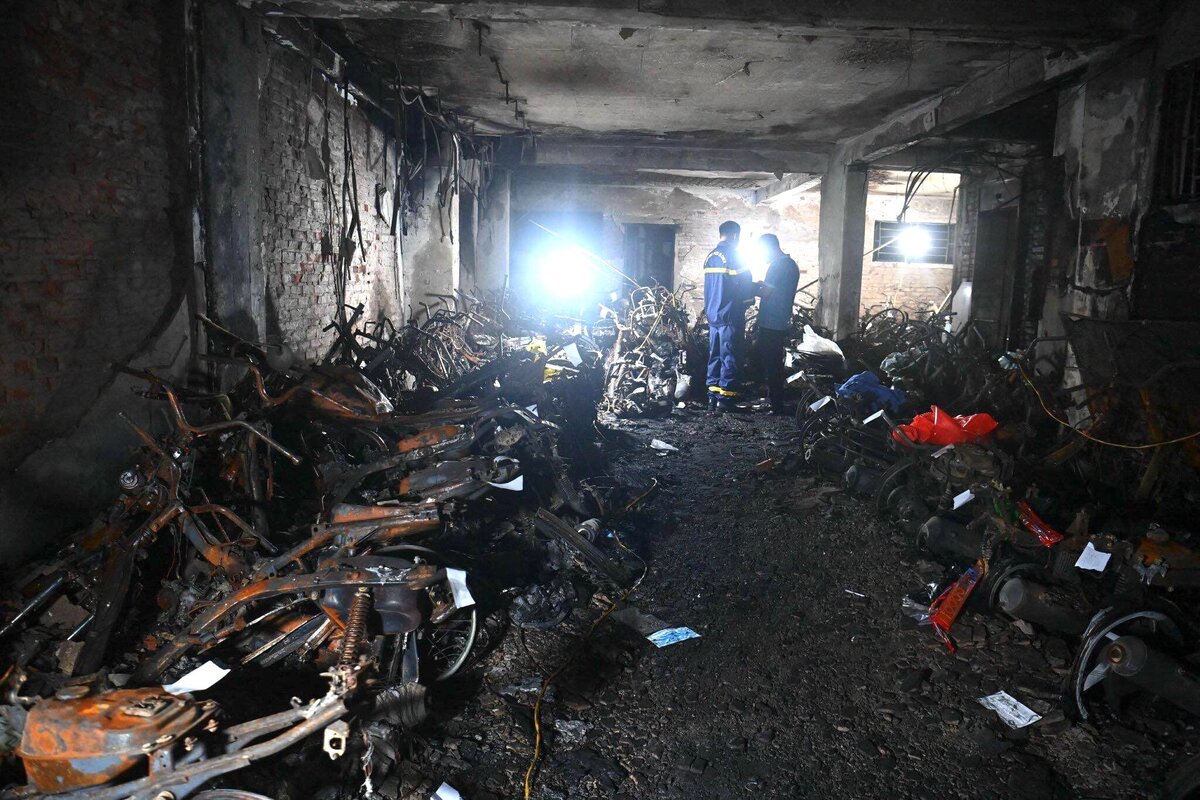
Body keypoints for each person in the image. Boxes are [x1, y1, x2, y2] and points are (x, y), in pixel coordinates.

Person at [703, 220, 753, 413]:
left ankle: (712, 396)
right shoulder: (734, 256)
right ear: (735, 235)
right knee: (730, 356)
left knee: (715, 355)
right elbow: (745, 284)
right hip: (730, 314)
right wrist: (754, 295)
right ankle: (726, 399)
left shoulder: (711, 256)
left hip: (713, 315)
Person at [755, 234, 801, 415]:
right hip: (780, 319)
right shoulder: (791, 264)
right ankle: (774, 400)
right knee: (774, 361)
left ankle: (776, 404)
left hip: (771, 321)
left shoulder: (777, 266)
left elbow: (767, 292)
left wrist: (749, 287)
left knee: (771, 362)